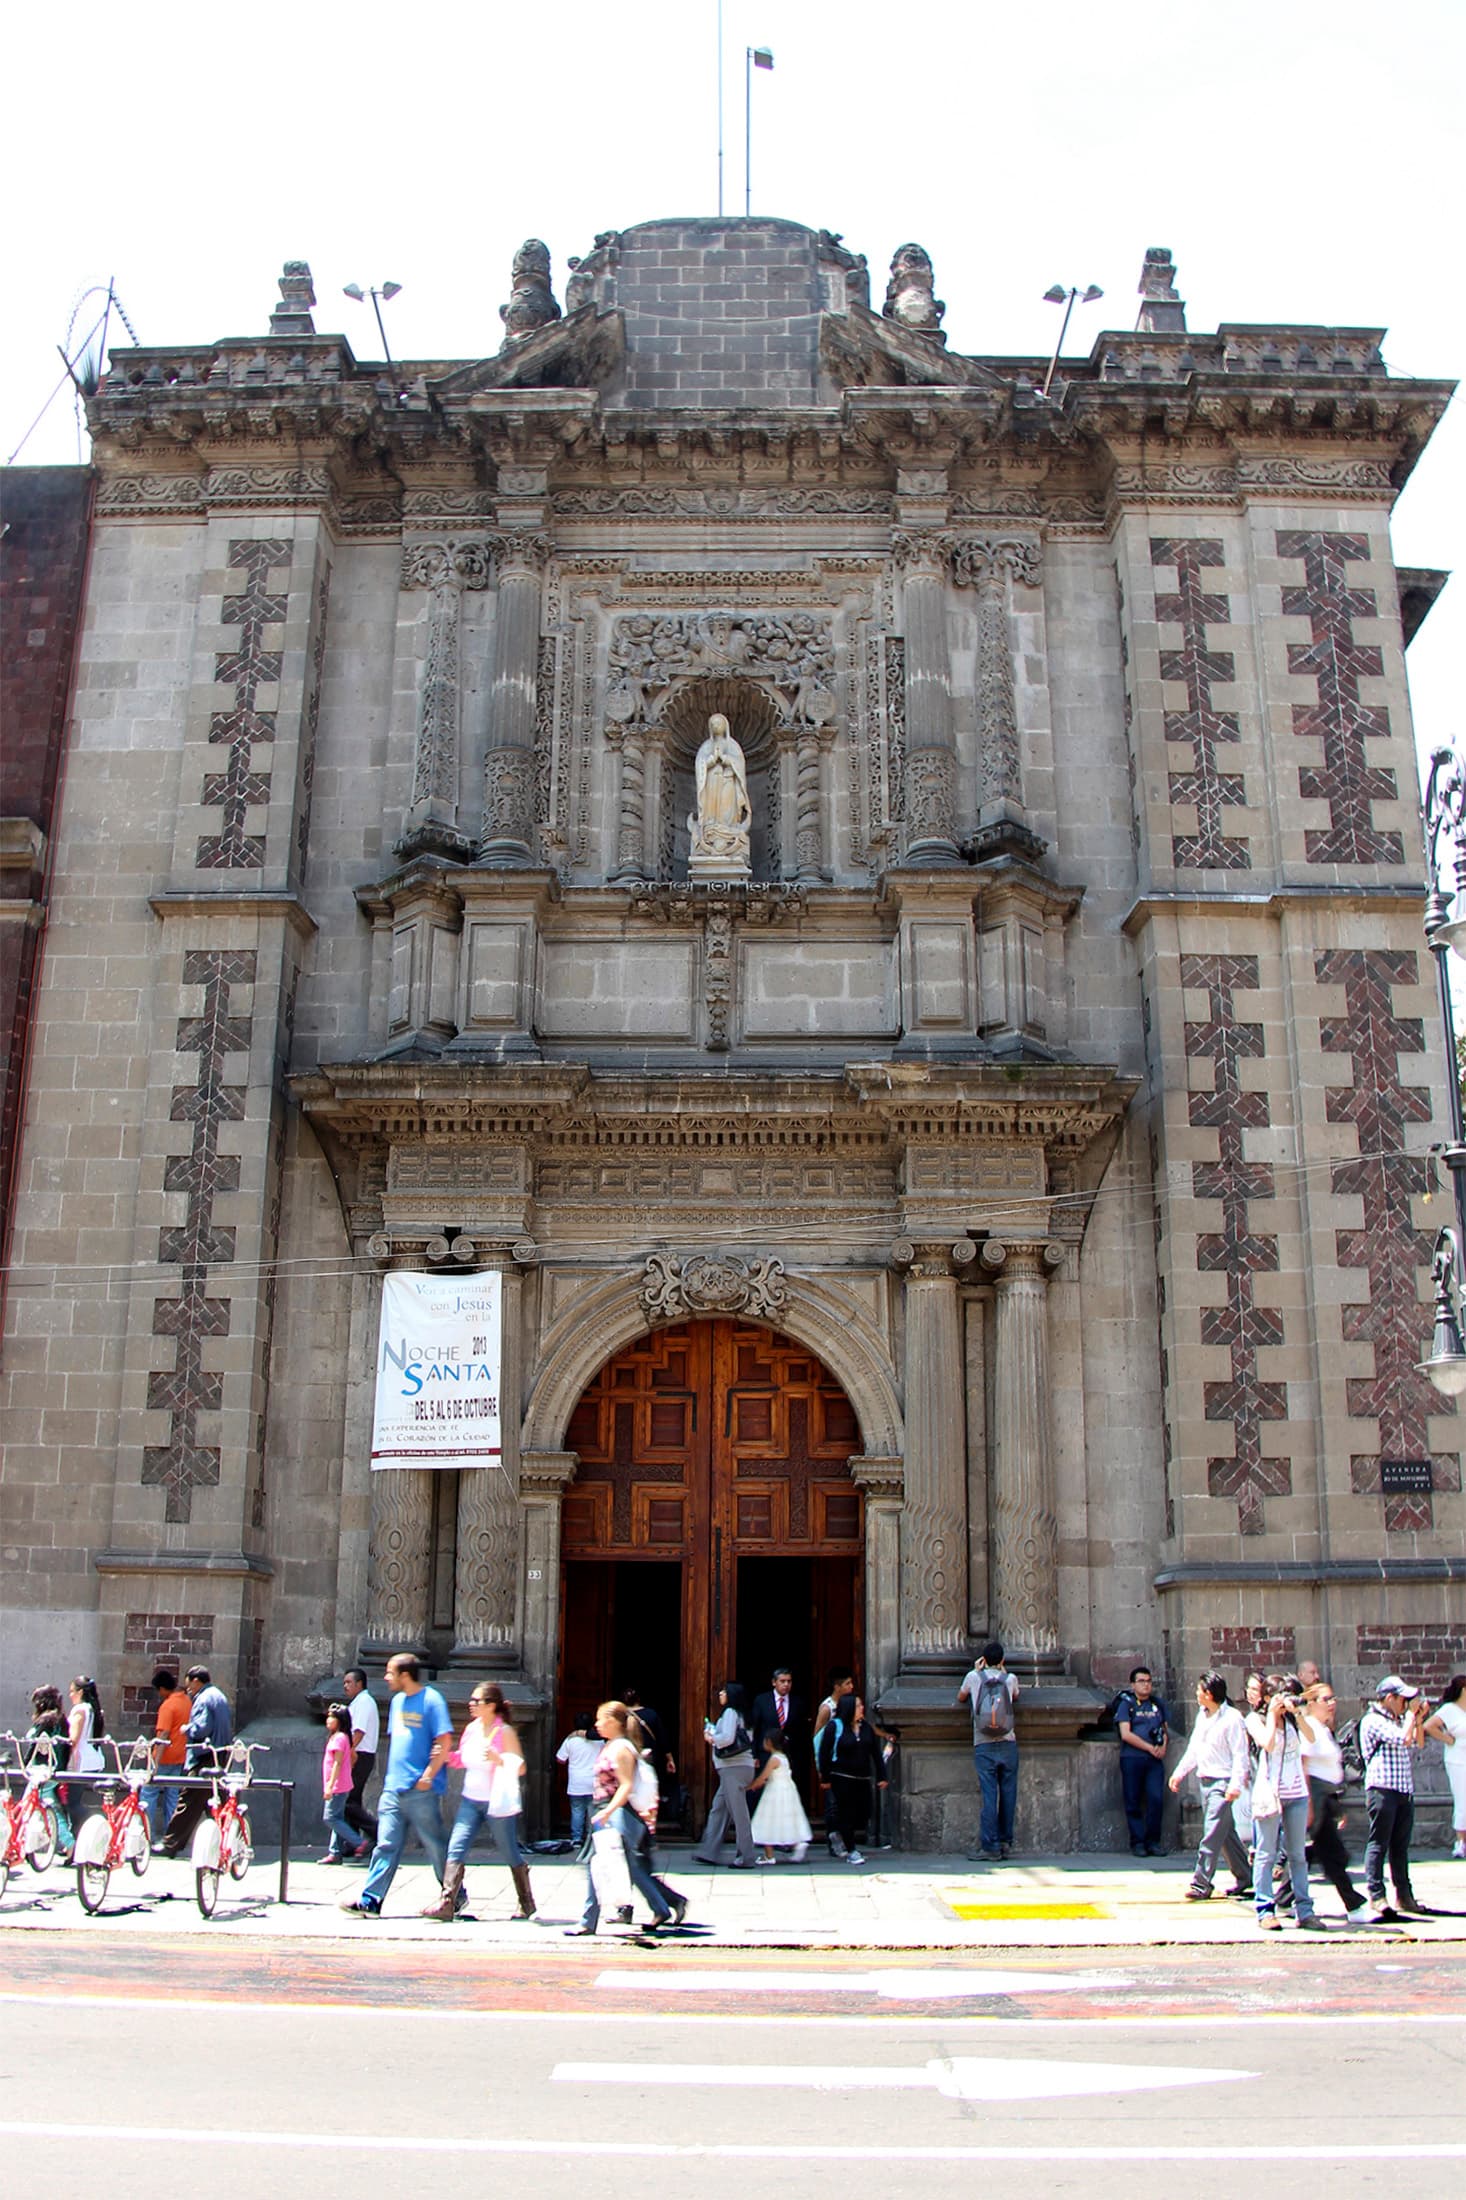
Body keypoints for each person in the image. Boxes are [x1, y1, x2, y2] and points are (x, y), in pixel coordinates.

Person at [340, 1653, 453, 1918]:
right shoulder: (397, 1702)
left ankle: (454, 1896)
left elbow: (444, 1741)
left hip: (420, 1789)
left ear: (405, 1675)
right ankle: (371, 1900)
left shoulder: (432, 1700)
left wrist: (428, 1775)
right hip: (394, 1789)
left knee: (436, 1846)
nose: (386, 1677)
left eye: (390, 1672)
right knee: (386, 1844)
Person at [566, 1701, 684, 1937]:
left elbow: (626, 1785)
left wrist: (608, 1811)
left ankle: (589, 1921)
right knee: (622, 1866)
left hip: (618, 1814)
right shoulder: (611, 1745)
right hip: (607, 1811)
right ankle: (661, 1907)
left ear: (614, 1722)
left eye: (601, 1719)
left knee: (605, 1865)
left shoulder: (621, 1749)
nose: (597, 1724)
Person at [424, 1683, 536, 1923]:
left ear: (491, 1705)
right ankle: (447, 1901)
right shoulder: (472, 1729)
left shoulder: (504, 1732)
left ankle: (526, 1901)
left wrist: (499, 1759)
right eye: (472, 1700)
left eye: (477, 1701)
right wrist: (445, 1757)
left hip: (496, 1802)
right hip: (470, 1800)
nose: (471, 1704)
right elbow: (464, 1759)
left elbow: (522, 1766)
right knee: (456, 1847)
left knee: (509, 1851)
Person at [1246, 1673, 1322, 1931]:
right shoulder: (1254, 1719)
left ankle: (1305, 1910)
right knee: (1266, 1854)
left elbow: (1312, 1738)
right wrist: (1272, 1716)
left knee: (1298, 1855)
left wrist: (1297, 1713)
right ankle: (1265, 1909)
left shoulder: (1292, 1722)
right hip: (1270, 1795)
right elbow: (1267, 1744)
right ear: (1268, 1698)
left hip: (1296, 1793)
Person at [1169, 1671, 1251, 1900]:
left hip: (1223, 1783)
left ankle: (1201, 1882)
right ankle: (1246, 1876)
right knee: (1225, 1835)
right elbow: (1195, 1749)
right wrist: (1180, 1773)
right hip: (1205, 1780)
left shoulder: (1233, 1718)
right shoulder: (1202, 1716)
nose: (1196, 1693)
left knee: (1212, 1832)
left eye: (1199, 1690)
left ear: (1209, 1693)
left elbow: (1240, 1754)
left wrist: (1236, 1784)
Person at [1360, 1674, 1429, 1921]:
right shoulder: (1373, 1720)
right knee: (1379, 1843)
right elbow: (1401, 1738)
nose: (1406, 1704)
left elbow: (1416, 1742)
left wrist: (1417, 1718)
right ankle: (1377, 1894)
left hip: (1403, 1789)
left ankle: (1404, 1895)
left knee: (1400, 1847)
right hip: (1382, 1789)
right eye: (1403, 1699)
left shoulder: (1400, 1720)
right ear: (1389, 1698)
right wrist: (1411, 1717)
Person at [1300, 1680, 1364, 1914]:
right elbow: (1303, 1765)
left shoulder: (1324, 1729)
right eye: (1325, 1699)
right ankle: (1354, 1904)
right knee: (1334, 1855)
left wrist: (1337, 1807)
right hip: (1316, 1795)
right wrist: (1308, 1804)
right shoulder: (1309, 1728)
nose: (1331, 1704)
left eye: (1333, 1698)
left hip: (1327, 1796)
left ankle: (1283, 1896)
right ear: (1312, 1702)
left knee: (1325, 1852)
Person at [159, 1667, 232, 1857]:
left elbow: (202, 1728)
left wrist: (187, 1729)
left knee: (189, 1800)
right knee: (215, 1802)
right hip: (219, 1754)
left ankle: (170, 1843)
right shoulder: (219, 1696)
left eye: (189, 1684)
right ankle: (228, 1840)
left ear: (196, 1680)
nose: (188, 1689)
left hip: (204, 1757)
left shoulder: (204, 1698)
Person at [958, 1642, 1020, 1862]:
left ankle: (989, 1846)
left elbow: (961, 1697)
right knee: (1009, 1794)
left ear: (983, 1659)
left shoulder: (973, 1677)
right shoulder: (1010, 1679)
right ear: (1002, 1660)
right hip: (1008, 1742)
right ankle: (1005, 1841)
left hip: (983, 1742)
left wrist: (977, 1670)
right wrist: (1002, 1672)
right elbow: (1015, 1697)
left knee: (989, 1795)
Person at [691, 1682, 760, 1867]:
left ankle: (746, 1856)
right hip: (738, 1768)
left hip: (733, 1769)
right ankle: (709, 1852)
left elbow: (727, 1739)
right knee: (718, 1809)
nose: (720, 1694)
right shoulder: (743, 1714)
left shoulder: (730, 1713)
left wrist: (711, 1738)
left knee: (739, 1813)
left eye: (723, 1691)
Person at [1115, 1666, 1170, 1857]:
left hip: (1154, 1760)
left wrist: (1163, 1747)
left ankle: (1153, 1841)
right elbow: (1125, 1733)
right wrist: (1148, 1747)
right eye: (1141, 1681)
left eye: (1148, 1681)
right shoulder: (1127, 1704)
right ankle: (1137, 1842)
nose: (1146, 1685)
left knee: (1156, 1798)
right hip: (1132, 1757)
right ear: (1133, 1684)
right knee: (1133, 1800)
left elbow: (1164, 1729)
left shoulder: (1157, 1704)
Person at [749, 1724, 812, 1863]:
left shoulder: (774, 1759)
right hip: (787, 1791)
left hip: (774, 1793)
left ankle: (769, 1855)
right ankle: (797, 1843)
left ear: (769, 1742)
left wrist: (750, 1786)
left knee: (767, 1820)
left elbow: (763, 1777)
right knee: (786, 1820)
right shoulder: (784, 1757)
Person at [23, 1686, 72, 1862]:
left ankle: (69, 1844)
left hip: (40, 1770)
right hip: (54, 1770)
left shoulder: (45, 1720)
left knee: (31, 1807)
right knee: (45, 1808)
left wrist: (24, 1764)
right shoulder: (62, 1720)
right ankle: (29, 1845)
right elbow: (67, 1747)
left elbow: (34, 1745)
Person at [142, 1668, 190, 1843]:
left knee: (148, 1794)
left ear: (162, 1688)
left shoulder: (168, 1706)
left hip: (165, 1757)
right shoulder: (186, 1701)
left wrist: (154, 1763)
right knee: (173, 1797)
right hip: (180, 1756)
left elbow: (163, 1736)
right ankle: (172, 1837)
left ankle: (146, 1834)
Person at [812, 1666, 855, 1855]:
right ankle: (833, 1839)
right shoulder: (826, 1708)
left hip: (846, 1761)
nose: (851, 1687)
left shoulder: (851, 1705)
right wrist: (821, 1765)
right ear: (837, 1687)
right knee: (832, 1804)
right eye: (847, 1683)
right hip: (831, 1762)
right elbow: (817, 1738)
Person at [1423, 1675, 1466, 1860]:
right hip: (1458, 1759)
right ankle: (1460, 1841)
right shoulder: (1449, 1710)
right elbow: (1428, 1726)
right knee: (1463, 1798)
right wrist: (1448, 1739)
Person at [341, 1667, 379, 1857]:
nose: (345, 1686)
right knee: (353, 1799)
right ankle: (353, 1843)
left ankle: (375, 1831)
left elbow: (359, 1731)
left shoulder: (364, 1702)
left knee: (349, 1801)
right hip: (358, 1753)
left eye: (349, 1682)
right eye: (344, 1683)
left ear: (359, 1684)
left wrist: (349, 1751)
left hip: (360, 1754)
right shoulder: (358, 1702)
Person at [557, 1713, 602, 1844]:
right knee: (593, 1811)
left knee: (577, 1811)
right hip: (594, 1781)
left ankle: (576, 1838)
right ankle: (592, 1837)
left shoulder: (570, 1740)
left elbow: (560, 1759)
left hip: (576, 1782)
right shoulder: (598, 1740)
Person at [751, 1668, 808, 1773]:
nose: (786, 1684)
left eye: (789, 1681)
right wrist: (754, 1755)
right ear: (774, 1682)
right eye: (782, 1681)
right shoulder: (762, 1700)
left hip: (791, 1755)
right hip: (767, 1754)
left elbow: (802, 1731)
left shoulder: (798, 1702)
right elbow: (755, 1729)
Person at [320, 1702, 355, 1864]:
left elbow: (337, 1763)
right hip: (339, 1784)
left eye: (332, 1717)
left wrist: (330, 1785)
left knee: (330, 1818)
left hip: (337, 1785)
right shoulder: (339, 1737)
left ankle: (358, 1842)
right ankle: (335, 1852)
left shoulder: (340, 1738)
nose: (328, 1719)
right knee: (337, 1817)